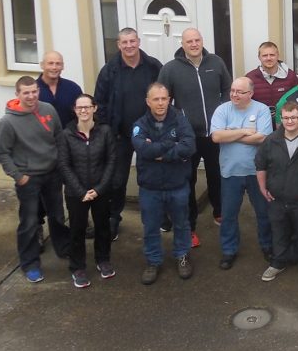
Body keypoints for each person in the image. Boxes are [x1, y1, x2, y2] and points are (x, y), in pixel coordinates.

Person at [158, 27, 232, 243]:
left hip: (214, 134)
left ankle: (219, 211)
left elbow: (228, 88)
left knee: (217, 176)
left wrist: (223, 110)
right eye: (189, 41)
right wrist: (175, 123)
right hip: (187, 138)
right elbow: (162, 98)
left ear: (202, 41)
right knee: (187, 181)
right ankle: (189, 226)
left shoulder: (216, 63)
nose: (193, 44)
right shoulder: (171, 69)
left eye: (197, 40)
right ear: (182, 44)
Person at [0, 76, 67, 283]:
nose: (31, 96)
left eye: (34, 91)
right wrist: (19, 177)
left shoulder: (48, 110)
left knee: (58, 215)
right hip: (29, 178)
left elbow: (59, 137)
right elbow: (2, 153)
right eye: (26, 92)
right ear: (17, 94)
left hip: (52, 173)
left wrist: (60, 165)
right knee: (29, 222)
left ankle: (63, 247)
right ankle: (30, 263)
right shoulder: (7, 122)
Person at [93, 27, 163, 241]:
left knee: (153, 177)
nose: (129, 46)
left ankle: (160, 217)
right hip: (119, 136)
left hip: (150, 134)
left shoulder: (153, 66)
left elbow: (165, 96)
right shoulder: (109, 70)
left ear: (139, 41)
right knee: (117, 180)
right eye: (125, 42)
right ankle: (114, 218)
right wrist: (106, 129)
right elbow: (100, 102)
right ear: (118, 44)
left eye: (132, 41)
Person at [256, 101, 298, 286]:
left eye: (293, 117)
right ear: (281, 118)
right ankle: (278, 263)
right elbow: (260, 166)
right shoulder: (271, 140)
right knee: (278, 233)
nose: (289, 121)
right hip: (276, 200)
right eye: (286, 118)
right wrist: (262, 188)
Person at [133, 82, 196, 284]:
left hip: (177, 184)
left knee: (182, 224)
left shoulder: (181, 121)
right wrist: (171, 145)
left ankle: (182, 256)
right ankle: (153, 261)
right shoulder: (139, 125)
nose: (160, 103)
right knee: (150, 226)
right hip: (150, 187)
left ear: (169, 100)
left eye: (164, 99)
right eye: (156, 99)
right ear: (148, 102)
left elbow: (189, 147)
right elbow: (143, 149)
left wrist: (160, 152)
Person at [209, 76, 273, 269]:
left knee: (263, 212)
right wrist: (246, 131)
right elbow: (217, 136)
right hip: (230, 172)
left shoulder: (261, 109)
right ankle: (229, 250)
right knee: (228, 214)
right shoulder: (222, 109)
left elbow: (262, 138)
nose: (234, 95)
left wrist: (232, 133)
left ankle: (268, 246)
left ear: (251, 94)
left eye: (240, 92)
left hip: (257, 172)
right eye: (232, 91)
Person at [57, 93, 116, 288]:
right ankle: (78, 267)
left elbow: (111, 161)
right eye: (79, 107)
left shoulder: (105, 132)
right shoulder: (66, 135)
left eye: (87, 107)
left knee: (103, 227)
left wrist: (99, 189)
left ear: (94, 108)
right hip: (77, 193)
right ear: (74, 110)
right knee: (77, 229)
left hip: (100, 191)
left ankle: (103, 259)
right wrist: (81, 191)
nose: (83, 110)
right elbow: (64, 165)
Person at [245, 41, 298, 123]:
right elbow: (245, 103)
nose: (269, 58)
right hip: (259, 123)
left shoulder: (290, 76)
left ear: (278, 56)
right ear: (259, 57)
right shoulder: (250, 78)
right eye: (265, 55)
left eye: (272, 55)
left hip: (285, 124)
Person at [37, 51, 84, 129]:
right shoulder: (33, 91)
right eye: (50, 63)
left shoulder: (73, 88)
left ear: (63, 66)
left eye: (58, 64)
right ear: (42, 65)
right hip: (41, 139)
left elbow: (82, 114)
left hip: (69, 138)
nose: (54, 67)